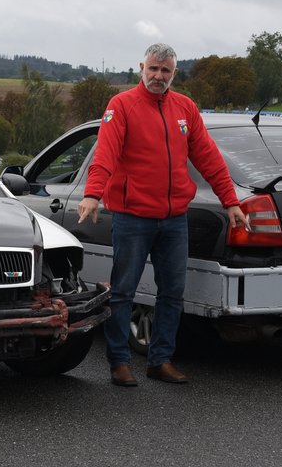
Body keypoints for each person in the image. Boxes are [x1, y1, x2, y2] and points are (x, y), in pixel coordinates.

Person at [77, 43, 246, 387]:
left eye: (165, 71)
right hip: (132, 217)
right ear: (141, 67)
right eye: (153, 69)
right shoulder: (121, 106)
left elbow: (209, 158)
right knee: (124, 291)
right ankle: (119, 362)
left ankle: (161, 359)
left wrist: (230, 201)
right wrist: (92, 194)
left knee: (172, 291)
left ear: (174, 74)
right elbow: (105, 153)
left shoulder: (185, 108)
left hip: (173, 219)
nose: (158, 76)